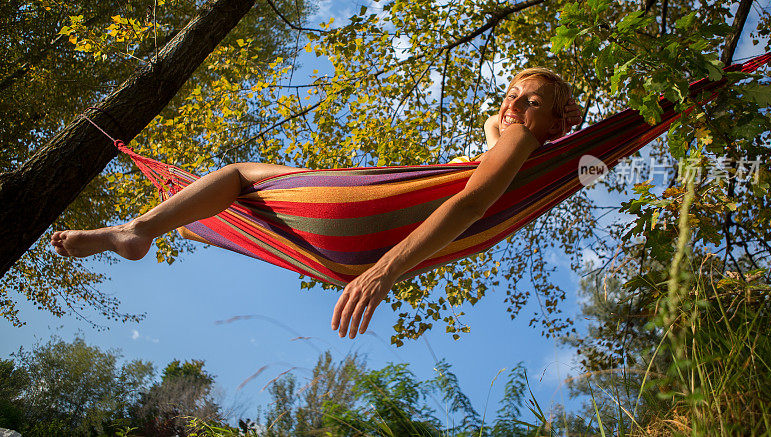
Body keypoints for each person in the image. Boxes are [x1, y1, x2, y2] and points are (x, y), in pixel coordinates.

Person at [51, 67, 581, 339]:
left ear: (559, 122)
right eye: (508, 94)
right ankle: (187, 222)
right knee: (232, 204)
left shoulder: (523, 143)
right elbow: (493, 133)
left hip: (365, 239)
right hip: (340, 259)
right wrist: (517, 108)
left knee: (240, 176)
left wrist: (383, 273)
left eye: (528, 99)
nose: (511, 104)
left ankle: (141, 228)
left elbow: (470, 204)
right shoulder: (514, 150)